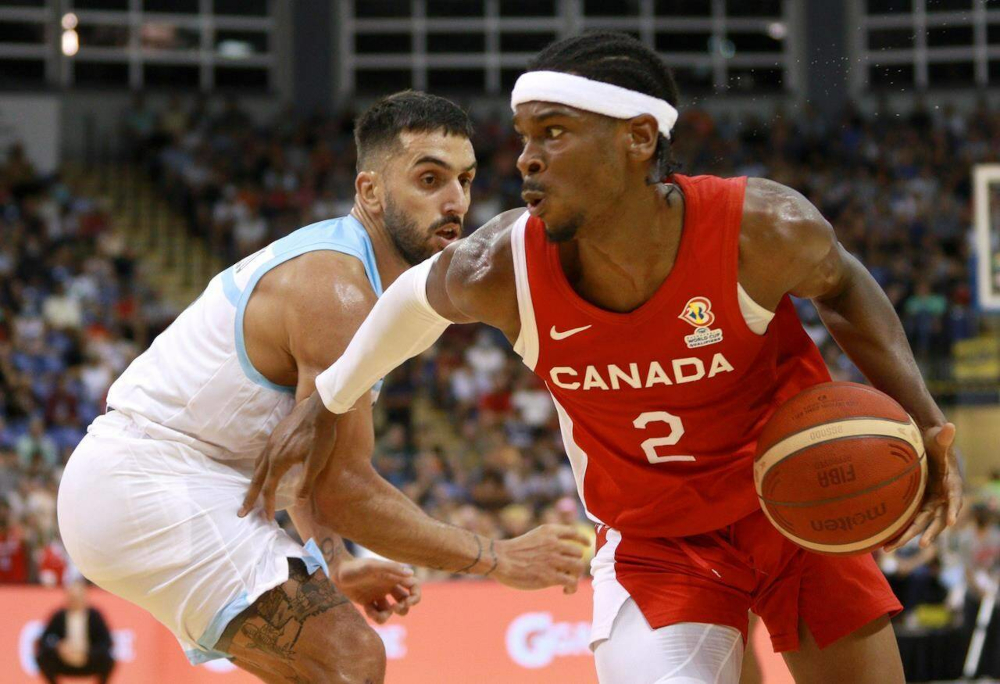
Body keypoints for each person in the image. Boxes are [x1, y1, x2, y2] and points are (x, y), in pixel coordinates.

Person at [244, 34, 964, 684]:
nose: (525, 156)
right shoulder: (505, 265)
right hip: (656, 543)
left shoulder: (760, 229)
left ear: (640, 139)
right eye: (525, 136)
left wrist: (927, 421)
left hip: (795, 514)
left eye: (553, 134)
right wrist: (328, 398)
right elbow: (411, 303)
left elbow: (842, 286)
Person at [58, 91, 588, 684]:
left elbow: (308, 453)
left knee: (325, 668)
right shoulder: (335, 289)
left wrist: (334, 560)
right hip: (151, 479)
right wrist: (497, 557)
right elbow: (343, 488)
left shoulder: (378, 290)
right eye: (430, 179)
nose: (455, 201)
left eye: (464, 180)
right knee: (351, 659)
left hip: (168, 481)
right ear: (370, 191)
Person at [35, 578, 115, 684]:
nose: (75, 600)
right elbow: (44, 640)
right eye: (72, 597)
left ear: (85, 596)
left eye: (78, 597)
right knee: (42, 657)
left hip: (89, 660)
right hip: (63, 661)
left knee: (108, 659)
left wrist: (87, 653)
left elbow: (106, 642)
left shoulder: (95, 616)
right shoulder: (59, 616)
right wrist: (59, 648)